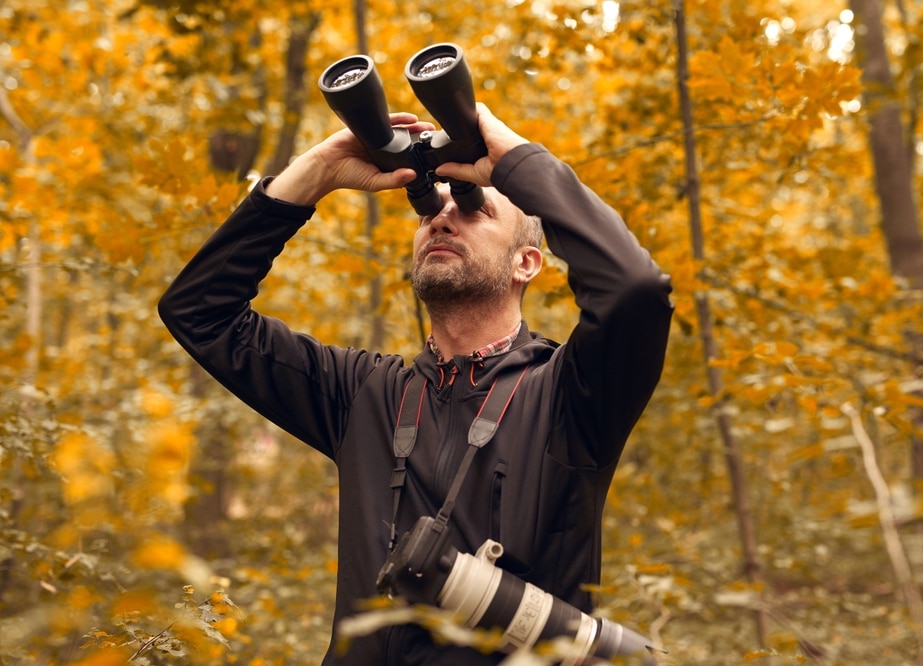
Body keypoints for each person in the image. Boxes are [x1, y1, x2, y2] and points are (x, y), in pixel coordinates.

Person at [158, 102, 673, 665]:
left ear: (527, 263)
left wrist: (512, 162)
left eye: (475, 210)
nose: (442, 219)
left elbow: (633, 289)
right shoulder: (363, 393)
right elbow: (199, 312)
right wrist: (317, 171)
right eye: (430, 211)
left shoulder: (570, 395)